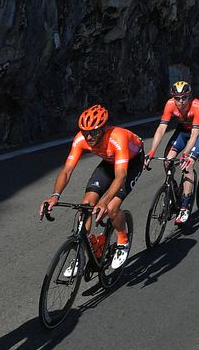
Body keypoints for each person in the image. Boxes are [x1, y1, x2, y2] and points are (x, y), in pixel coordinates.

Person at [40, 105, 140, 271]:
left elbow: (121, 176)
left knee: (112, 207)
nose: (89, 136)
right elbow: (67, 170)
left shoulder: (117, 137)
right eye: (85, 132)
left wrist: (105, 201)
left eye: (93, 132)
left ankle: (123, 240)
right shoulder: (80, 139)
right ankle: (81, 251)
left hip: (131, 164)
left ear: (103, 129)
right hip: (108, 163)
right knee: (86, 205)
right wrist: (55, 195)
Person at [147, 80, 199, 224]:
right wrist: (152, 151)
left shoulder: (197, 106)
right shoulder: (170, 104)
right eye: (177, 98)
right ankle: (172, 188)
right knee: (168, 161)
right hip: (182, 130)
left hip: (197, 133)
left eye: (184, 97)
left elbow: (194, 134)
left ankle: (185, 205)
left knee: (188, 165)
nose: (181, 102)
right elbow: (161, 129)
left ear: (189, 96)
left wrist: (186, 154)